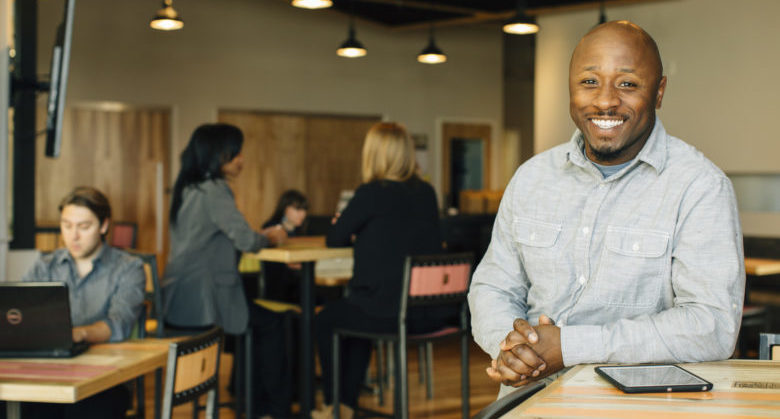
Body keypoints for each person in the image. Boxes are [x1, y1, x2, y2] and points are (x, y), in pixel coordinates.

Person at [468, 20, 745, 398]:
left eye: (627, 84)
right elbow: (492, 286)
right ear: (570, 86)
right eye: (589, 81)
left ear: (659, 91)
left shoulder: (699, 187)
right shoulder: (531, 178)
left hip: (640, 408)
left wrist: (568, 347)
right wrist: (515, 346)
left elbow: (711, 326)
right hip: (528, 401)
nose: (605, 101)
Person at [313, 122, 446, 419]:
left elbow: (335, 238)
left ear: (373, 155)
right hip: (429, 314)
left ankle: (334, 406)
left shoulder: (371, 192)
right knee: (357, 320)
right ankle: (345, 406)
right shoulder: (426, 192)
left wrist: (346, 226)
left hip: (390, 315)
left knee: (327, 320)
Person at [160, 123, 290, 418]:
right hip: (205, 301)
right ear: (218, 154)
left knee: (259, 322)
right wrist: (271, 235)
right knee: (273, 324)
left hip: (180, 297)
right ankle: (274, 410)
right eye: (236, 153)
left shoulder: (188, 188)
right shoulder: (215, 190)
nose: (241, 159)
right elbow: (246, 239)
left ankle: (253, 404)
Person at [19, 186, 145, 419]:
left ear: (104, 226)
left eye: (83, 227)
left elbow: (120, 324)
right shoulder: (45, 266)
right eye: (66, 226)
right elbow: (20, 312)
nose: (73, 236)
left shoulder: (128, 268)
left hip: (106, 379)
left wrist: (78, 334)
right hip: (50, 376)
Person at [261, 189, 309, 302]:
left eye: (304, 209)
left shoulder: (302, 231)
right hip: (278, 286)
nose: (302, 214)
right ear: (284, 208)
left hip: (297, 284)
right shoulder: (272, 229)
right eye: (298, 209)